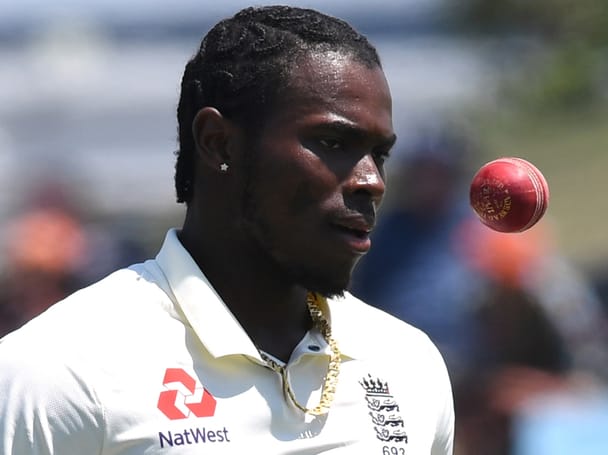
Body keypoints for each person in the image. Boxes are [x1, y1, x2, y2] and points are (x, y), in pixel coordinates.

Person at [0, 6, 454, 454]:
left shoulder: (408, 365)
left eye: (380, 155)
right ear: (218, 143)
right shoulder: (59, 373)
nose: (372, 181)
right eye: (333, 142)